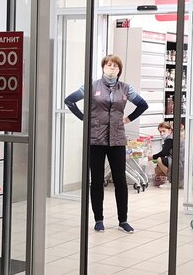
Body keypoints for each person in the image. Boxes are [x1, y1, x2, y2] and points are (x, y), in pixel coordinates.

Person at [65, 54, 148, 233]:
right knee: (96, 180)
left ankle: (123, 221)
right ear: (103, 67)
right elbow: (69, 101)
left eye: (115, 66)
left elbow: (143, 105)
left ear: (119, 70)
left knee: (120, 180)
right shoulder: (91, 86)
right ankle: (99, 219)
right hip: (96, 139)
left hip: (117, 139)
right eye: (109, 65)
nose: (112, 68)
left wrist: (128, 119)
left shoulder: (126, 88)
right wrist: (85, 119)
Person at [151, 121, 173, 186]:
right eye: (160, 132)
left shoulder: (169, 139)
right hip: (172, 158)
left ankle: (171, 179)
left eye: (164, 131)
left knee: (159, 160)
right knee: (157, 170)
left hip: (177, 160)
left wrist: (152, 157)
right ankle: (165, 179)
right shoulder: (170, 138)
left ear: (169, 130)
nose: (162, 133)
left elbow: (164, 153)